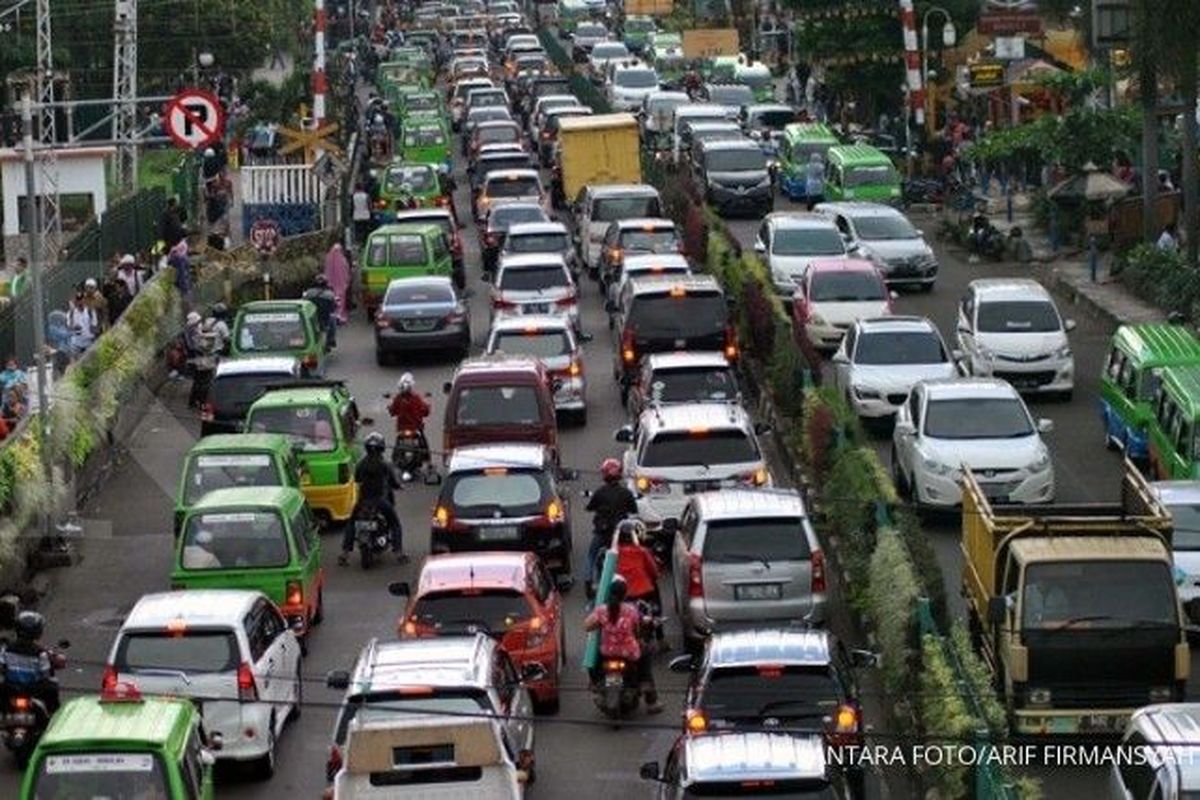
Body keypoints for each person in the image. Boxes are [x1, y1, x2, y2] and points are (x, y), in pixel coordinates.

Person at [582, 576, 662, 714]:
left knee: (592, 656)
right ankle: (651, 700)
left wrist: (601, 624)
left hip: (607, 652)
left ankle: (595, 684)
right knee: (646, 656)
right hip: (629, 653)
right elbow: (638, 627)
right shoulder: (631, 610)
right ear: (625, 594)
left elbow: (587, 626)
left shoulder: (601, 611)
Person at [341, 431, 406, 565]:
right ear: (381, 448)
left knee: (351, 522)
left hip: (363, 501)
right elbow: (393, 482)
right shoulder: (385, 465)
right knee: (395, 523)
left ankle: (344, 554)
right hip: (380, 502)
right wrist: (399, 486)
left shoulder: (361, 464)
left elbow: (357, 479)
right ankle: (399, 553)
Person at [584, 458, 638, 597]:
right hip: (621, 533)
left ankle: (588, 582)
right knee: (631, 554)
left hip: (602, 532)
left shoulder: (600, 492)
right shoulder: (626, 493)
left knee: (591, 555)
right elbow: (634, 509)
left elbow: (590, 507)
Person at [0, 611, 62, 717]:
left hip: (11, 688)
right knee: (53, 685)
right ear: (37, 632)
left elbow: (1, 666)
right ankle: (55, 717)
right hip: (34, 690)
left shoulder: (7, 648)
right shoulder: (39, 652)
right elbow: (45, 673)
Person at [303, 274, 338, 350]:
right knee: (333, 319)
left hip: (311, 317)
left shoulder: (308, 293)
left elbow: (304, 303)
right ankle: (331, 340)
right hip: (324, 317)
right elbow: (333, 307)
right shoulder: (330, 294)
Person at [324, 242, 352, 324]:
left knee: (333, 299)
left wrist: (328, 281)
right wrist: (347, 281)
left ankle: (334, 315)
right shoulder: (343, 260)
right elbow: (347, 271)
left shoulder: (328, 258)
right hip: (341, 285)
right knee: (341, 300)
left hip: (331, 285)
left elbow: (326, 271)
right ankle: (339, 315)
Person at [66, 292, 99, 357]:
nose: (80, 302)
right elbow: (69, 326)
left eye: (81, 299)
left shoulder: (90, 311)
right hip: (77, 342)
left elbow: (94, 325)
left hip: (88, 341)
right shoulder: (71, 313)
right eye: (78, 300)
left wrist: (92, 331)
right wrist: (74, 327)